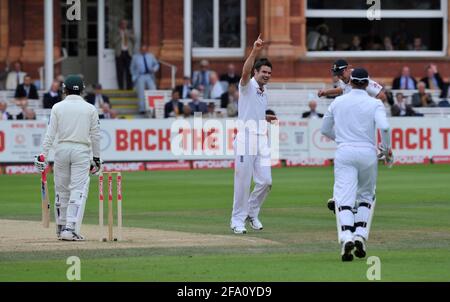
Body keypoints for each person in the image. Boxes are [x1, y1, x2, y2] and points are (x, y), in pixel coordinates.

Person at [321, 68, 393, 262]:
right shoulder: (375, 103)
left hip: (344, 152)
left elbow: (325, 129)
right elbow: (385, 127)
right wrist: (386, 150)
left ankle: (346, 237)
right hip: (368, 153)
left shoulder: (338, 102)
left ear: (351, 82)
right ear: (367, 84)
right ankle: (360, 234)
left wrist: (342, 139)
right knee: (365, 196)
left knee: (344, 198)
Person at [34, 75, 101, 241]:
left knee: (61, 189)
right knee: (78, 189)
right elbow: (96, 136)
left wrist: (43, 155)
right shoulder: (90, 108)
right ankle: (70, 228)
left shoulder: (57, 107)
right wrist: (97, 158)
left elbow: (50, 135)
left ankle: (61, 227)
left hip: (61, 150)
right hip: (81, 150)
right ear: (83, 90)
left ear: (65, 89)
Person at [318, 59, 387, 213]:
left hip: (364, 127)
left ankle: (364, 198)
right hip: (352, 130)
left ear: (348, 68)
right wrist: (326, 92)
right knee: (348, 164)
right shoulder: (346, 82)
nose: (339, 77)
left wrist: (367, 107)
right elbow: (342, 90)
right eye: (337, 74)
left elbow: (382, 96)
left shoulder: (363, 80)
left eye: (341, 73)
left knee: (359, 165)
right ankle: (343, 200)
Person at [230, 34, 277, 234]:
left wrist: (264, 119)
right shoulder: (247, 85)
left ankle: (251, 211)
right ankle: (236, 221)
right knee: (242, 181)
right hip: (245, 139)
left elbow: (253, 111)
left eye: (269, 72)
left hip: (261, 139)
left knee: (266, 181)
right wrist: (255, 50)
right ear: (255, 72)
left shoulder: (264, 92)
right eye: (263, 72)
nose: (266, 75)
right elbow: (245, 71)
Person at [130, 45, 160, 113]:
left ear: (146, 50)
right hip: (140, 76)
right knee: (141, 92)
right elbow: (132, 68)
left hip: (149, 75)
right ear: (140, 50)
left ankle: (154, 108)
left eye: (145, 49)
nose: (143, 51)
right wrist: (134, 77)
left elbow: (156, 64)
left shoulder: (150, 56)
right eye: (142, 49)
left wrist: (154, 69)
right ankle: (142, 109)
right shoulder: (135, 57)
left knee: (153, 90)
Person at [114, 19, 135, 90]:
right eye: (123, 24)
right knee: (120, 71)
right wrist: (120, 35)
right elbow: (113, 42)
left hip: (128, 53)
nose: (124, 25)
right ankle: (121, 88)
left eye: (125, 24)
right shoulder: (116, 32)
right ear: (120, 25)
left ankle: (129, 87)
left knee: (129, 71)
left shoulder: (130, 31)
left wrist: (128, 34)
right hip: (120, 53)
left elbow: (135, 40)